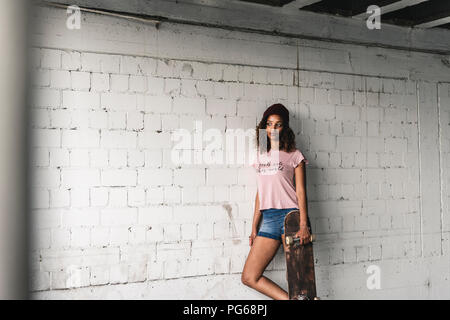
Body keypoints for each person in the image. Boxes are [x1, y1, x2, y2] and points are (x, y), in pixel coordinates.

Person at [241, 103, 311, 300]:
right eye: (269, 124)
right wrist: (255, 225)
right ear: (264, 127)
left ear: (284, 128)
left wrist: (304, 224)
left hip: (292, 218)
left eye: (278, 124)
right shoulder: (260, 156)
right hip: (269, 220)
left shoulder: (294, 155)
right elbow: (260, 192)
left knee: (302, 283)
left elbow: (301, 190)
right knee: (249, 276)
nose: (273, 129)